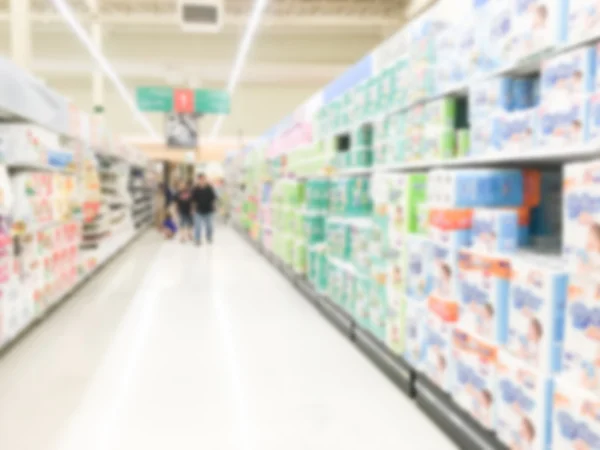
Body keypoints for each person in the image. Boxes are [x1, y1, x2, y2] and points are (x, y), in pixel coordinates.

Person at [192, 174, 217, 245]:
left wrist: (214, 206)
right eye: (200, 179)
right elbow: (193, 200)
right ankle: (197, 239)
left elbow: (213, 199)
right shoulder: (195, 189)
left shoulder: (209, 188)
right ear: (198, 180)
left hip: (208, 210)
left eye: (203, 179)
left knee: (209, 226)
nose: (202, 181)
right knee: (198, 226)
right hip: (198, 211)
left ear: (205, 180)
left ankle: (209, 236)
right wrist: (193, 209)